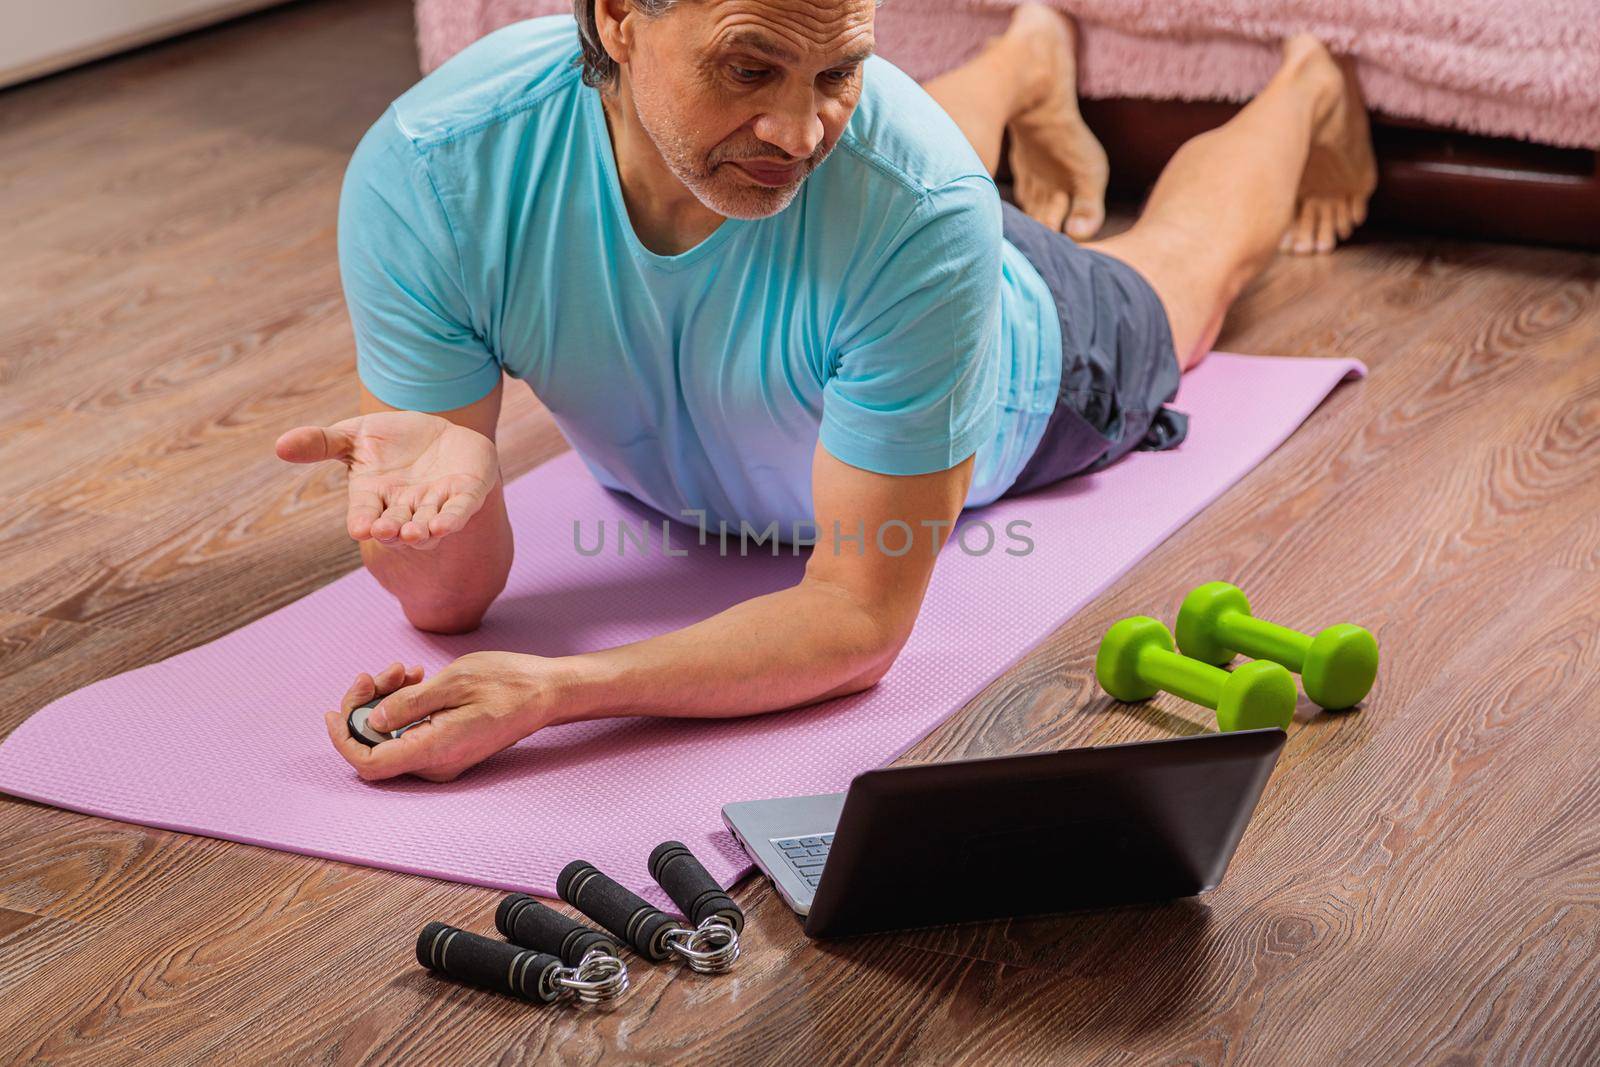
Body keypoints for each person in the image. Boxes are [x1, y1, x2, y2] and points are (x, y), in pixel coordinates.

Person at [275, 0, 1374, 782]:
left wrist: (559, 693)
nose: (801, 127)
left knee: (1184, 258)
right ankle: (1028, 58)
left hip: (1036, 357)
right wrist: (441, 498)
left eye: (842, 70)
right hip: (886, 254)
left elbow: (854, 617)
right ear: (618, 18)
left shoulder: (914, 199)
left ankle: (1304, 90)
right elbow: (448, 604)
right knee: (824, 169)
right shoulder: (434, 173)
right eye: (748, 66)